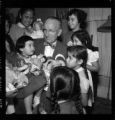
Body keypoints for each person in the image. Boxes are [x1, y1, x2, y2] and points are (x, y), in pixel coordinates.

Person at [33, 16, 67, 113]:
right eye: (45, 30)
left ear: (59, 32)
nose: (46, 34)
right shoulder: (36, 45)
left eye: (51, 31)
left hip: (54, 93)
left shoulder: (65, 48)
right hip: (35, 89)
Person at [6, 35, 47, 114]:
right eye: (30, 45)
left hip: (30, 82)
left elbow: (41, 63)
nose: (33, 48)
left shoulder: (33, 57)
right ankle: (29, 111)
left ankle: (37, 97)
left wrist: (38, 64)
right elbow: (13, 70)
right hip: (20, 83)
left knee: (42, 75)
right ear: (21, 48)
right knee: (29, 89)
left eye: (33, 45)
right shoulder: (15, 57)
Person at [66, 45, 94, 114]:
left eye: (70, 58)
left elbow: (84, 103)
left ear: (80, 61)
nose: (66, 60)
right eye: (67, 57)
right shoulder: (75, 71)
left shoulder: (81, 79)